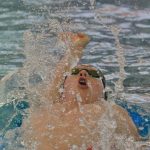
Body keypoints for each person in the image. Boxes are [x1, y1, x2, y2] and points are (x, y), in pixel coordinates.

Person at [22, 32, 140, 150]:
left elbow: (137, 145)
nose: (83, 73)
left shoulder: (112, 112)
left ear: (103, 93)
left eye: (93, 74)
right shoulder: (48, 109)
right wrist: (76, 49)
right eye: (75, 72)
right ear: (63, 87)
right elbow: (54, 84)